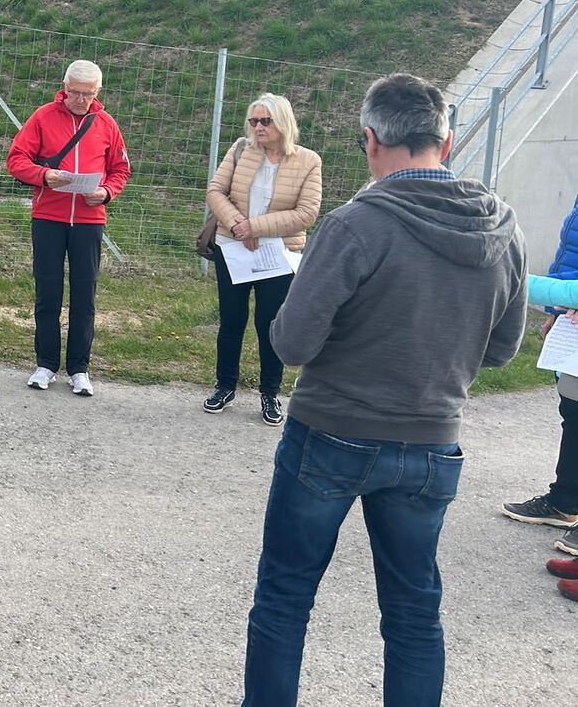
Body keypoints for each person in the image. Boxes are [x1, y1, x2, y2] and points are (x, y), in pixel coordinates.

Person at [241, 73, 527, 707]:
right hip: (432, 441)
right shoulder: (502, 226)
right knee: (414, 611)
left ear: (370, 141)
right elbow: (502, 350)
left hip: (331, 432)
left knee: (285, 598)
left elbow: (292, 343)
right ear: (445, 142)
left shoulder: (355, 225)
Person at [6, 59, 131, 394]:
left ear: (98, 92)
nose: (80, 99)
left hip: (89, 220)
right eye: (74, 92)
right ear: (63, 88)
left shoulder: (106, 124)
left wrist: (106, 193)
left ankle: (79, 369)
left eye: (87, 94)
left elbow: (120, 169)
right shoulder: (43, 117)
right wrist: (44, 175)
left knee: (84, 295)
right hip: (48, 216)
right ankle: (46, 364)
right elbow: (16, 159)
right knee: (48, 292)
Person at [203, 94, 322, 424]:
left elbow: (307, 212)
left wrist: (254, 226)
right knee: (231, 320)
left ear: (283, 122)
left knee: (270, 324)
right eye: (253, 121)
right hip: (233, 248)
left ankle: (270, 393)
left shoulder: (308, 161)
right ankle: (224, 386)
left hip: (278, 254)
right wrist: (238, 225)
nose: (257, 127)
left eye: (265, 121)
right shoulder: (240, 149)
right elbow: (215, 191)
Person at [499, 194, 578, 530]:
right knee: (573, 409)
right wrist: (557, 311)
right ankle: (565, 502)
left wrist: (507, 274)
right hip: (570, 313)